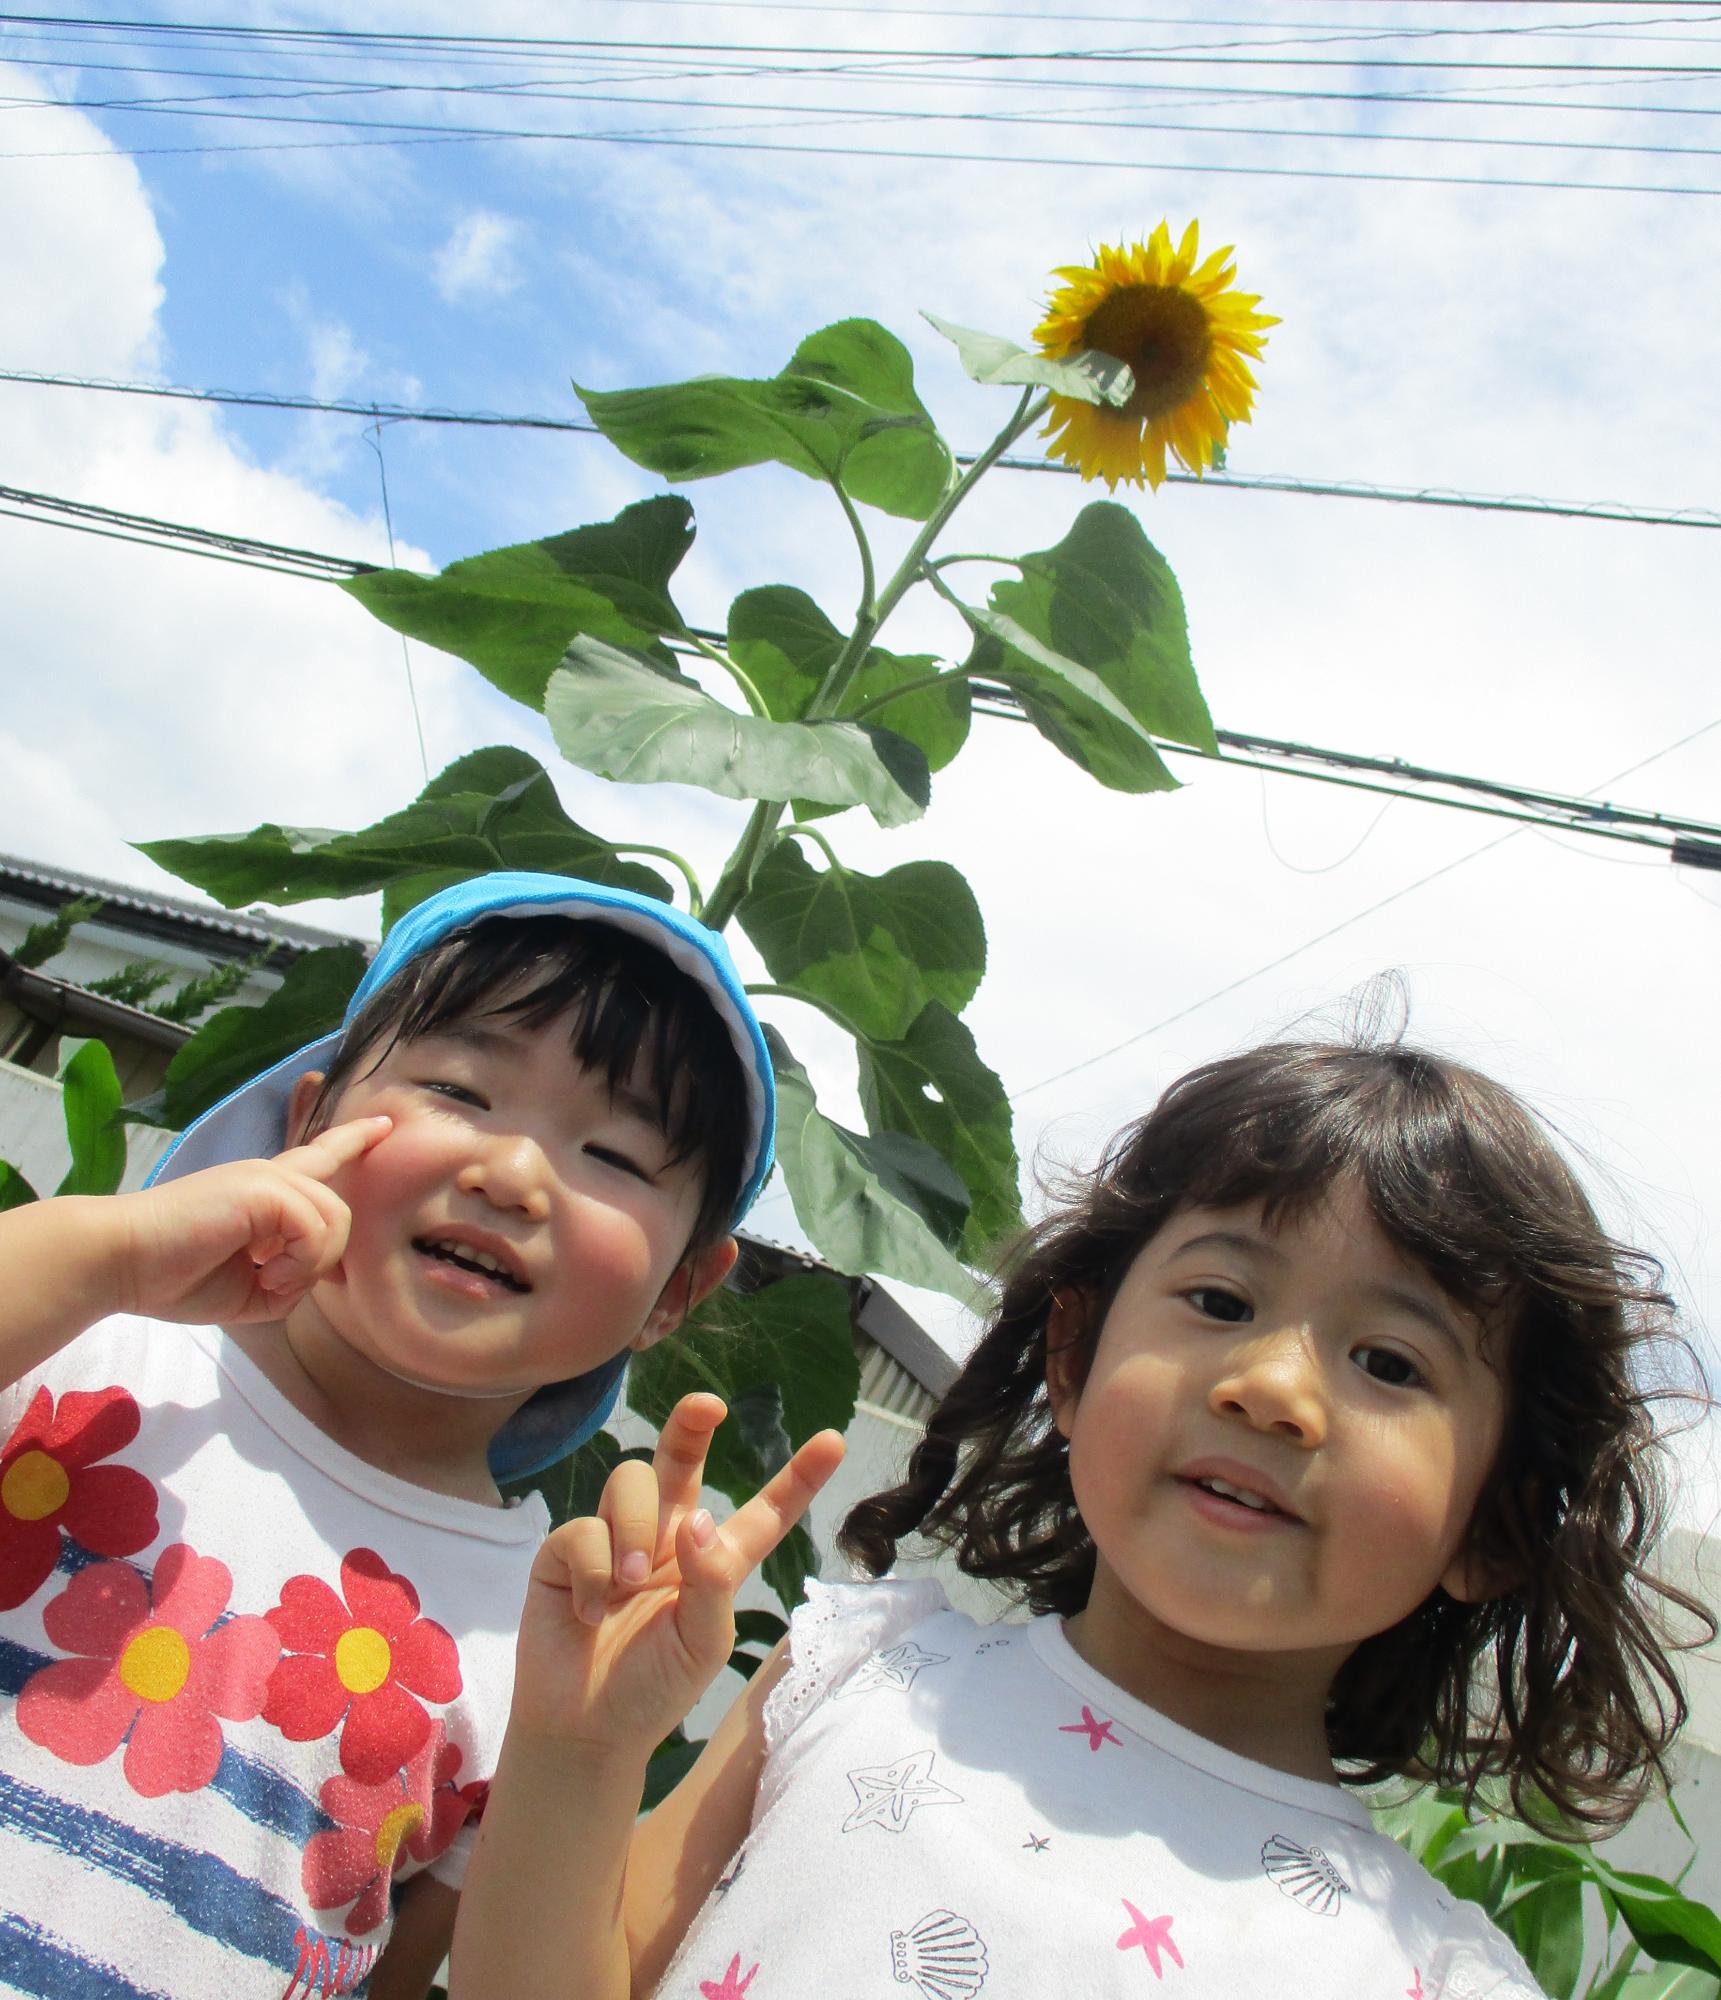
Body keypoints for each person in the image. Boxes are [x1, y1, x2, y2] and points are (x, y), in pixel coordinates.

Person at [450, 1038, 1713, 2000]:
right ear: (1070, 1353)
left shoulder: (1429, 1974)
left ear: (1492, 1524)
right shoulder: (865, 1668)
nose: (1268, 1387)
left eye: (1388, 1362)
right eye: (1218, 1296)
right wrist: (579, 1752)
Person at [0, 869, 784, 2000]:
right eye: (462, 1088)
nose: (512, 1172)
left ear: (677, 1292)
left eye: (613, 1155)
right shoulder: (89, 1352)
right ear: (308, 1120)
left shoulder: (551, 1636)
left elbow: (391, 1972)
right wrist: (109, 1257)